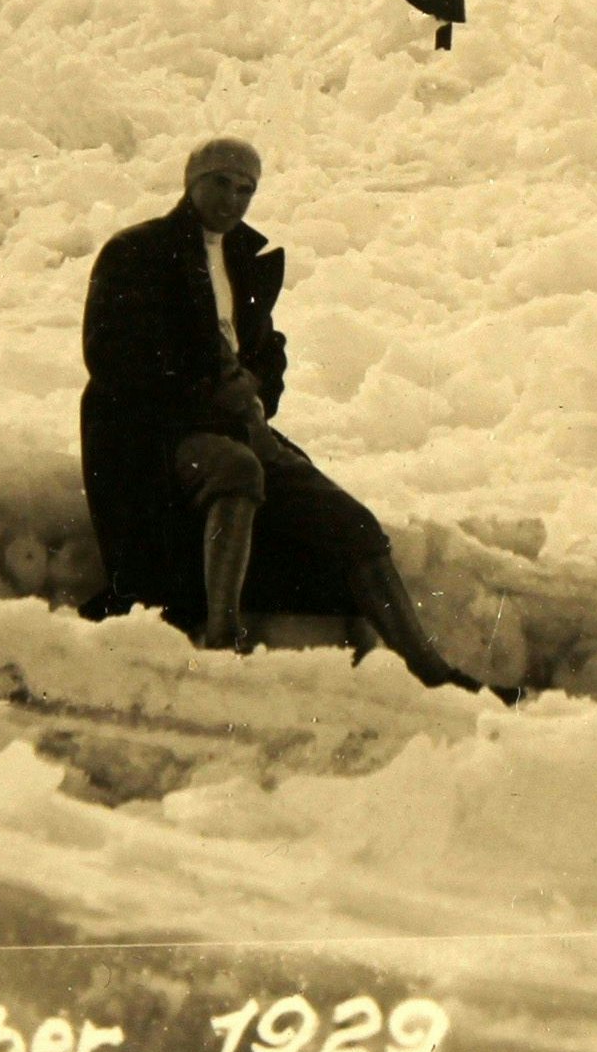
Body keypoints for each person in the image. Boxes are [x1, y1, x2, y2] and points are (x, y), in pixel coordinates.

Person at [76, 138, 480, 690]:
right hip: (159, 431)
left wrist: (256, 393)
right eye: (221, 182)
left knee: (355, 527)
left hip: (239, 423)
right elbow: (112, 355)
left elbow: (265, 351)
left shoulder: (244, 258)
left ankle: (434, 673)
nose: (233, 199)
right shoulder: (137, 251)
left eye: (246, 189)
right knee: (237, 470)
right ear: (191, 180)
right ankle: (222, 639)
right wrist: (204, 393)